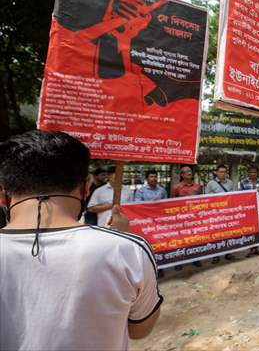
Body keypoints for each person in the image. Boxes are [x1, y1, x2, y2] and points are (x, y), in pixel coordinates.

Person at [0, 130, 162, 350]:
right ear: (86, 187)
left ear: (3, 194)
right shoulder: (129, 250)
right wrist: (118, 239)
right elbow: (140, 329)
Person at [205, 164, 235, 262]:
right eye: (220, 172)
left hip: (227, 212)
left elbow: (234, 195)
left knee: (228, 232)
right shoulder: (210, 184)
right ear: (216, 172)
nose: (223, 174)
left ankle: (228, 252)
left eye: (224, 172)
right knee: (216, 233)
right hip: (215, 212)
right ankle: (216, 255)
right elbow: (207, 198)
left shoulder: (230, 183)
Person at [239, 165, 259, 257]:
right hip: (248, 209)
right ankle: (250, 248)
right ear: (248, 173)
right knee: (249, 228)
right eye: (251, 172)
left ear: (257, 173)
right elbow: (240, 196)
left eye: (254, 172)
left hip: (257, 208)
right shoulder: (243, 182)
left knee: (258, 227)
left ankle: (256, 248)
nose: (253, 174)